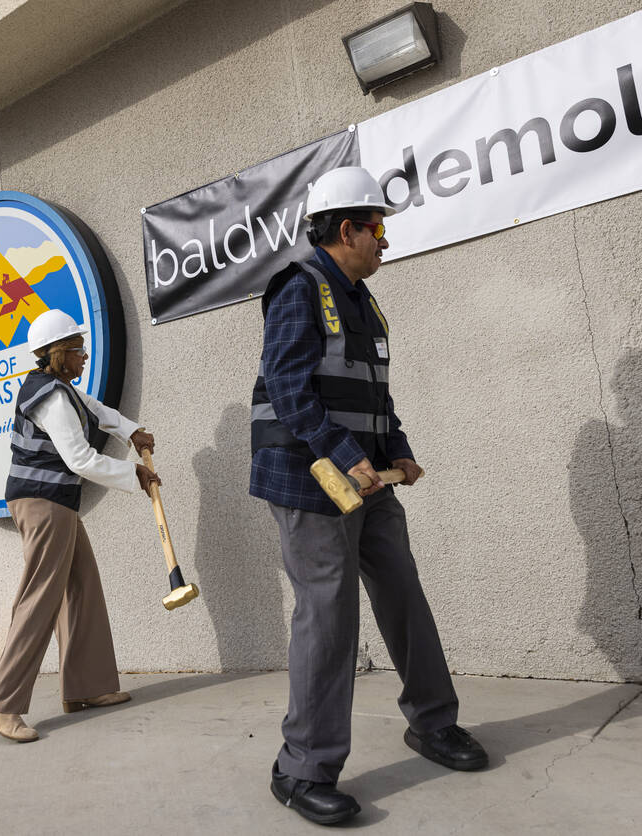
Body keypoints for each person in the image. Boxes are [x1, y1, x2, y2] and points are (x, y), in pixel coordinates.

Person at [249, 166, 487, 825]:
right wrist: (351, 457)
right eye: (377, 227)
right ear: (347, 229)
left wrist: (396, 447)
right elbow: (292, 393)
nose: (386, 239)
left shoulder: (361, 299)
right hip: (310, 477)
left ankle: (433, 723)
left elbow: (372, 396)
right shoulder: (299, 289)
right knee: (329, 615)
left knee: (402, 590)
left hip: (362, 476)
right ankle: (299, 770)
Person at [0, 309, 161, 743]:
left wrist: (132, 431)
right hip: (43, 504)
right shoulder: (52, 397)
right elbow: (79, 458)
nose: (84, 356)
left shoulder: (62, 390)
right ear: (59, 354)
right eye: (78, 350)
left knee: (81, 586)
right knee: (40, 598)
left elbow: (96, 410)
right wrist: (132, 474)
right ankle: (1, 702)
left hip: (56, 502)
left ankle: (87, 687)